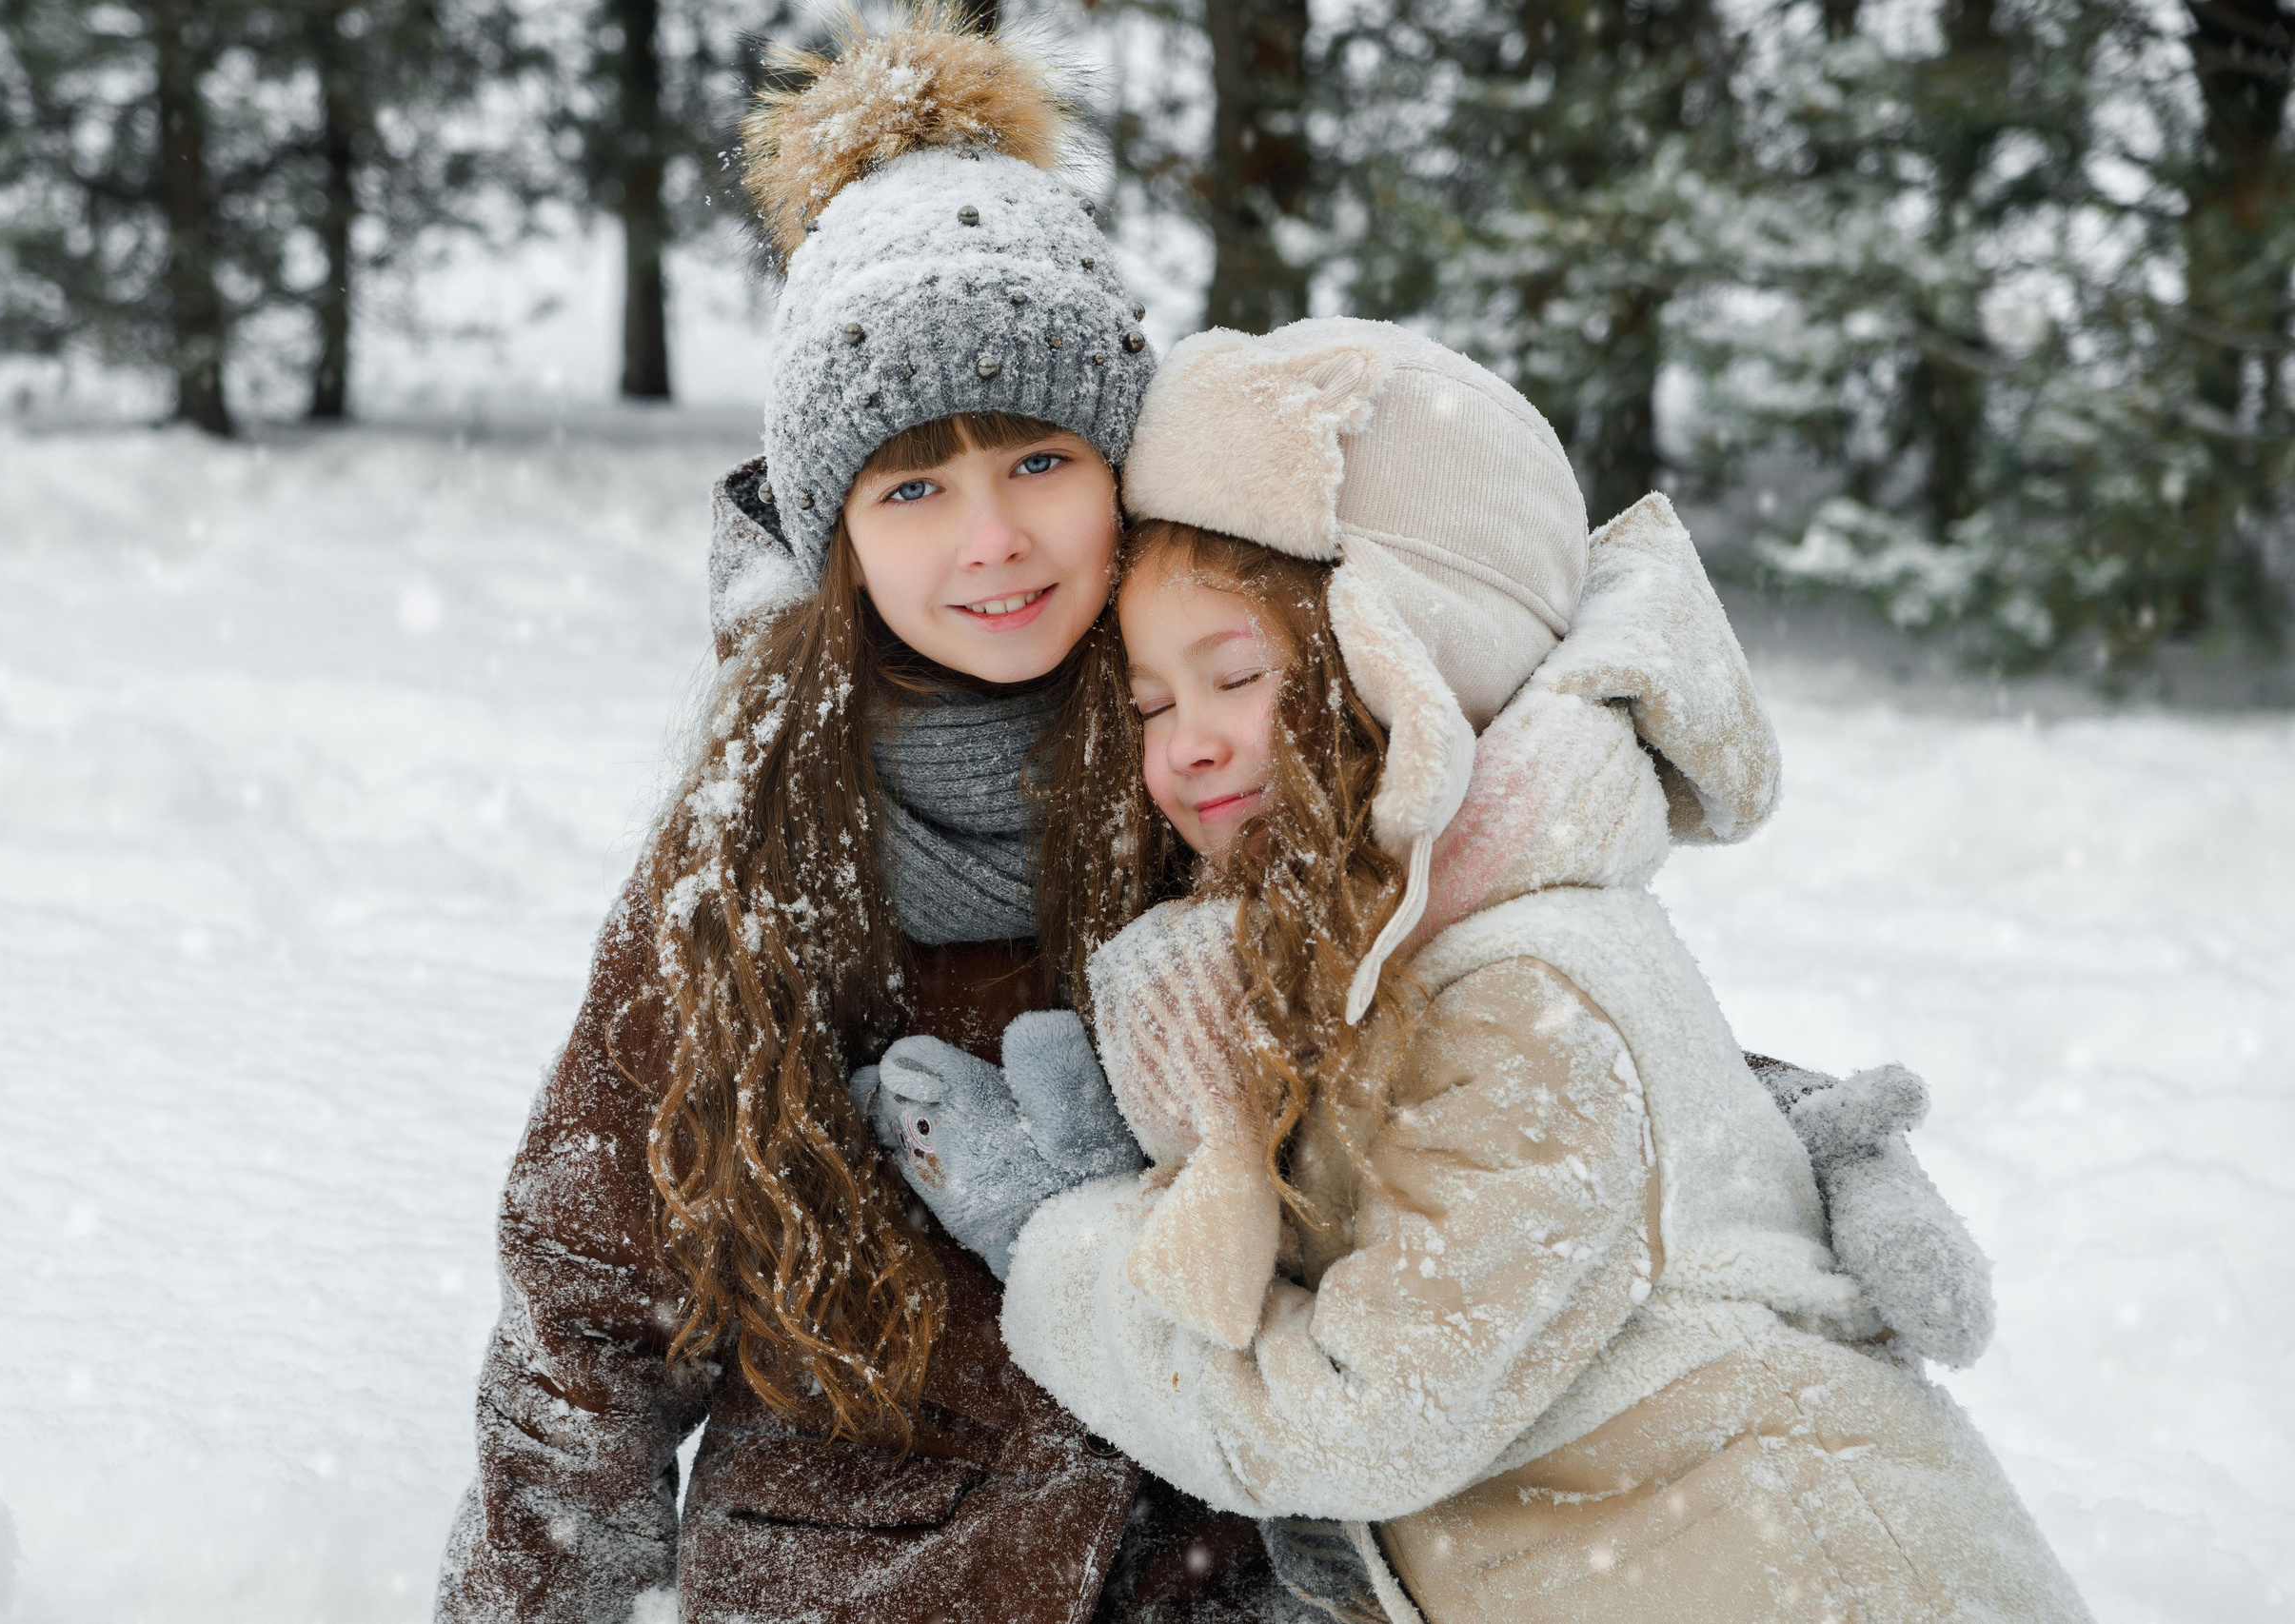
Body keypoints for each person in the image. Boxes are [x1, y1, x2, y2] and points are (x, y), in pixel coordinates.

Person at [864, 318, 2087, 1621]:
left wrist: (1058, 1244)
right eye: (1152, 705)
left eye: (1237, 676)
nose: (1187, 747)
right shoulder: (1414, 926)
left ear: (1421, 663)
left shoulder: (1515, 991)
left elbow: (1357, 1417)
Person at [436, 13, 1306, 1621]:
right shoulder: (759, 840)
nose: (991, 540)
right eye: (912, 486)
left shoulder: (1230, 740)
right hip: (858, 1572)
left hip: (1229, 1561)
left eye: (1038, 458)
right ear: (833, 528)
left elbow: (1489, 1005)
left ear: (1124, 466)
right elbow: (590, 1307)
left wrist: (1735, 1138)